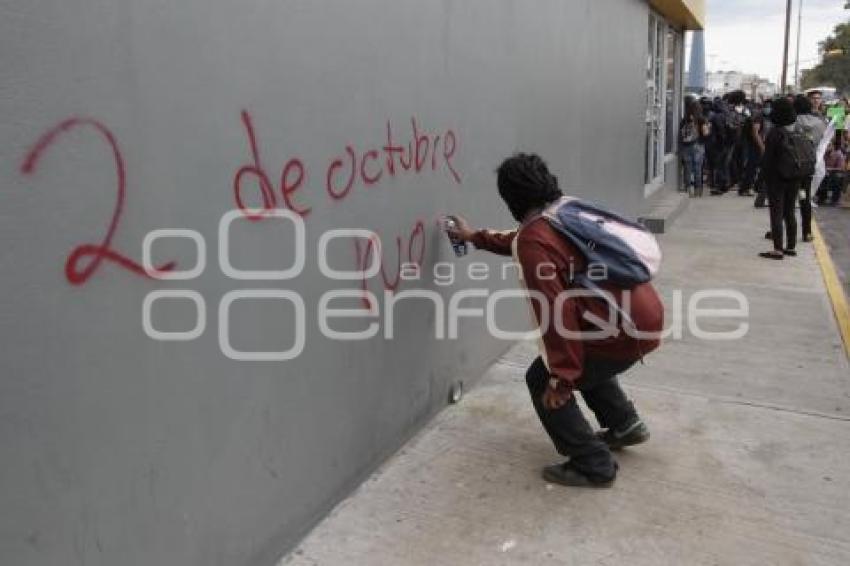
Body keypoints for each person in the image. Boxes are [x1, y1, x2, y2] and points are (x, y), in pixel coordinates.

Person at [447, 153, 664, 487]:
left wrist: (561, 379)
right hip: (641, 313)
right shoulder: (566, 210)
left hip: (622, 327)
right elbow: (523, 241)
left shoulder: (536, 240)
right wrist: (475, 237)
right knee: (588, 358)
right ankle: (624, 425)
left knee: (542, 376)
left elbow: (555, 315)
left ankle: (592, 464)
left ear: (510, 198)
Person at [760, 98, 801, 260]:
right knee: (790, 211)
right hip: (795, 176)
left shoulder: (775, 133)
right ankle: (790, 247)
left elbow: (768, 159)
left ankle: (778, 249)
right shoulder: (797, 131)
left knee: (776, 212)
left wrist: (761, 178)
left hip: (777, 177)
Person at [794, 94, 827, 242]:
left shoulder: (792, 122)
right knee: (804, 198)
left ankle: (779, 230)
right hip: (806, 168)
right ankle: (806, 232)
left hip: (790, 169)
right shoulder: (820, 123)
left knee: (786, 201)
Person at [679, 100, 710, 196]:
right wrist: (708, 129)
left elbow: (681, 133)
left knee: (687, 168)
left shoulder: (685, 119)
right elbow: (705, 133)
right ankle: (698, 190)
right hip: (698, 145)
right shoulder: (702, 119)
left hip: (686, 146)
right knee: (697, 168)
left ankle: (688, 189)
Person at [739, 113, 765, 197]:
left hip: (749, 145)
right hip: (754, 146)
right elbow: (755, 133)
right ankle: (747, 188)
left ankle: (746, 188)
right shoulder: (758, 117)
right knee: (752, 169)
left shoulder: (754, 117)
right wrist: (762, 147)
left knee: (751, 168)